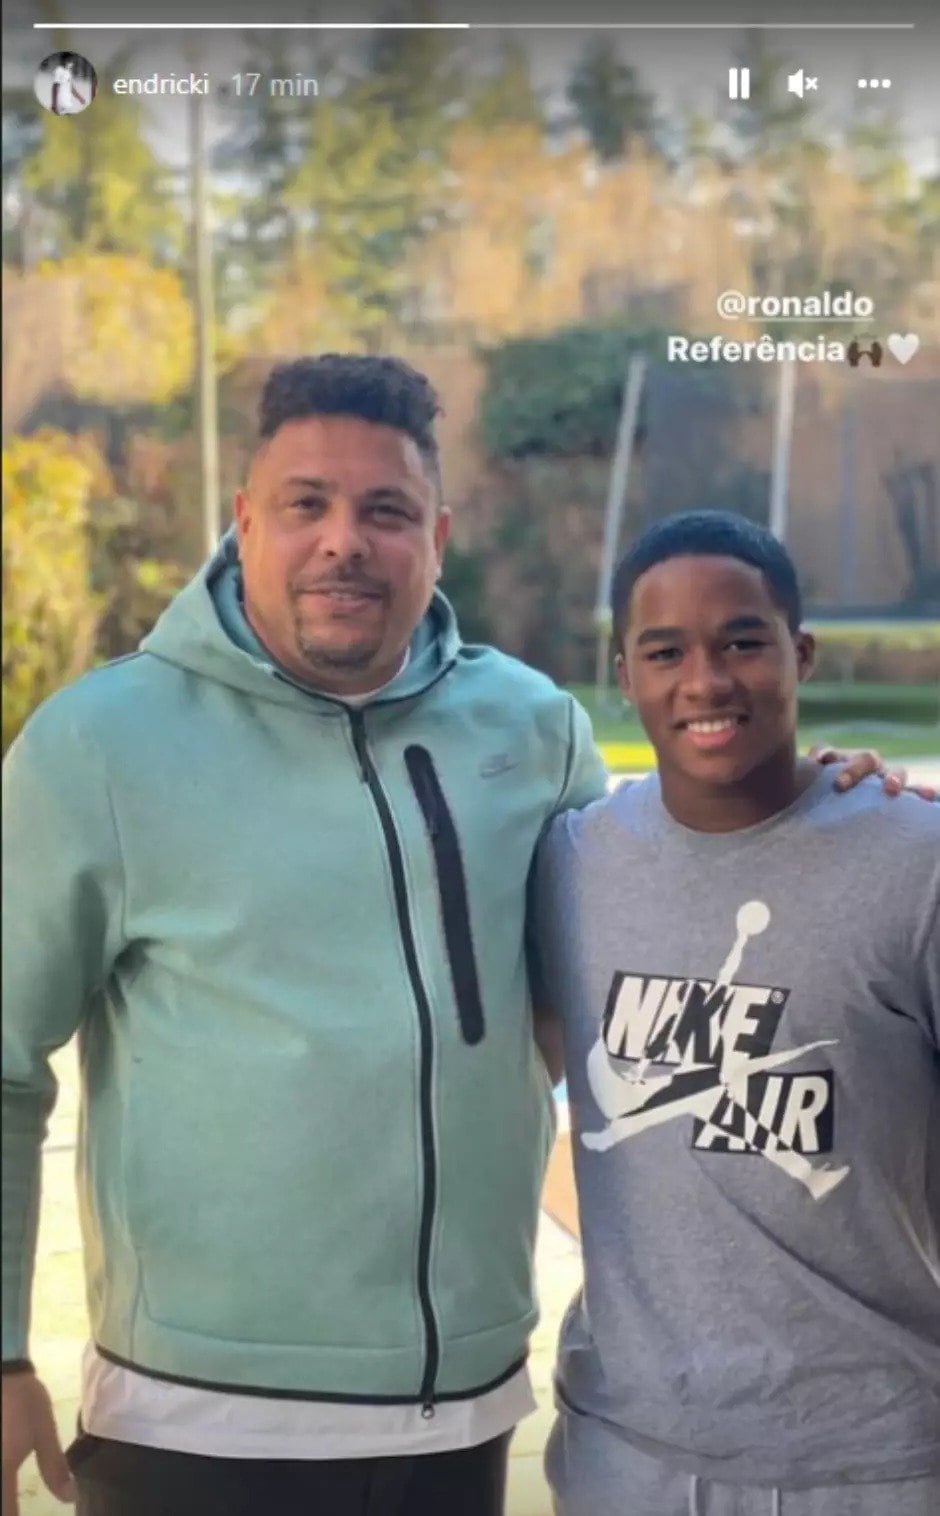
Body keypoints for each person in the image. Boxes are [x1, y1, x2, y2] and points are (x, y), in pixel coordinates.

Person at [0, 358, 917, 1516]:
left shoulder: (530, 726)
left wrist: (822, 799)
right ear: (244, 521)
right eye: (305, 503)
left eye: (384, 510)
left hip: (463, 1417)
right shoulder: (98, 745)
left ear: (434, 536)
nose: (345, 540)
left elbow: (659, 889)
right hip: (195, 1420)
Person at [536, 510, 940, 1516]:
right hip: (627, 1458)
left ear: (800, 654)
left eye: (742, 643)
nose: (705, 681)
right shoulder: (569, 864)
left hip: (879, 1463)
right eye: (665, 651)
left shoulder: (915, 864)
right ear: (624, 675)